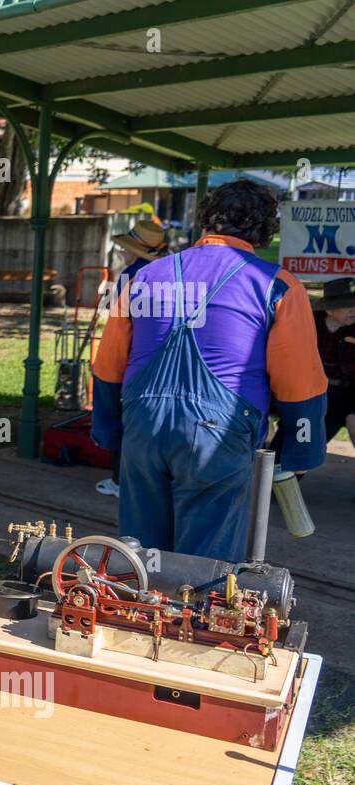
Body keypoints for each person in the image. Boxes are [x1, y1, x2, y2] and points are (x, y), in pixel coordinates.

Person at [91, 180, 327, 561]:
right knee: (204, 569)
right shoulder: (278, 286)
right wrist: (300, 449)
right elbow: (299, 381)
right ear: (266, 231)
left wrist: (109, 430)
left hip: (143, 426)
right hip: (218, 436)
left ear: (204, 221)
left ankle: (136, 615)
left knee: (140, 558)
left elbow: (108, 362)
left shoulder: (141, 278)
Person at [95, 218, 169, 498]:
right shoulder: (172, 271)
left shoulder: (131, 276)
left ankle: (119, 480)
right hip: (164, 363)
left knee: (120, 420)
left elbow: (119, 324)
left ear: (134, 251)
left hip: (131, 360)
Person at [269, 278, 355, 460]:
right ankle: (275, 482)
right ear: (329, 309)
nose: (353, 311)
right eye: (347, 306)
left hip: (348, 394)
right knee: (292, 445)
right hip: (311, 392)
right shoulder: (310, 323)